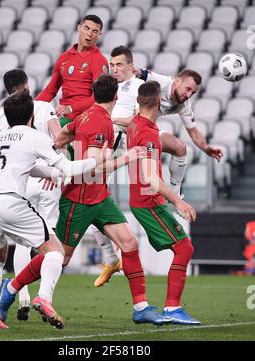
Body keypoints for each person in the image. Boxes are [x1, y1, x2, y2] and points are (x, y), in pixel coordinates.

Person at [0, 74, 172, 326]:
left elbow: (61, 137)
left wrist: (63, 154)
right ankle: (11, 288)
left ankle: (141, 307)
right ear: (116, 97)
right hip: (79, 200)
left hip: (99, 197)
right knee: (61, 257)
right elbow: (93, 168)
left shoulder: (88, 115)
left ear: (95, 95)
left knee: (130, 243)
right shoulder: (100, 123)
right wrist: (129, 157)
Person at [0, 90, 108, 329]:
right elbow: (67, 167)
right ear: (32, 115)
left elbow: (31, 168)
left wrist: (54, 172)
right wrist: (95, 161)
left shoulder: (2, 137)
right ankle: (43, 297)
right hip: (10, 201)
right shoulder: (33, 136)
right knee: (55, 251)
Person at [0, 69, 62, 321]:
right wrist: (53, 168)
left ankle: (19, 296)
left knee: (13, 247)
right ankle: (43, 296)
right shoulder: (43, 106)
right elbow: (58, 138)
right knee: (50, 245)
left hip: (6, 185)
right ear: (27, 85)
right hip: (41, 180)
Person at [127, 80, 200, 324]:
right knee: (184, 248)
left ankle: (147, 306)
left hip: (140, 199)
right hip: (149, 201)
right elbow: (151, 178)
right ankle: (172, 308)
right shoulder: (148, 134)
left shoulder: (135, 124)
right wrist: (178, 201)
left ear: (138, 101)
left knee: (133, 247)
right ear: (159, 102)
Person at [92, 46, 144, 287]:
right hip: (100, 143)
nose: (115, 69)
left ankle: (113, 258)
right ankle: (112, 259)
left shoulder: (137, 89)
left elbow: (138, 122)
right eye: (112, 65)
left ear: (131, 66)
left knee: (90, 200)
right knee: (90, 201)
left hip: (116, 146)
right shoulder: (110, 87)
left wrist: (109, 119)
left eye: (120, 65)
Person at [135, 68, 223, 198]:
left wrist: (205, 148)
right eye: (188, 89)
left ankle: (175, 195)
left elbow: (193, 131)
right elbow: (136, 71)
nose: (188, 95)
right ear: (177, 81)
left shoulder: (184, 104)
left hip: (144, 131)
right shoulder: (160, 82)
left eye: (193, 93)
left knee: (180, 147)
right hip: (124, 126)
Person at [36, 14, 109, 158]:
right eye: (86, 28)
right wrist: (31, 107)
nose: (89, 34)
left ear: (99, 35)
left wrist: (70, 108)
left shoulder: (99, 61)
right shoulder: (64, 58)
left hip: (83, 119)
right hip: (63, 119)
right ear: (79, 28)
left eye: (95, 31)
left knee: (72, 166)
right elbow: (50, 91)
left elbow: (99, 98)